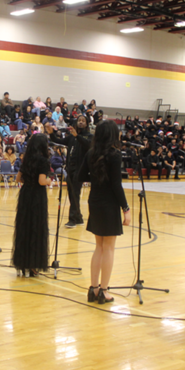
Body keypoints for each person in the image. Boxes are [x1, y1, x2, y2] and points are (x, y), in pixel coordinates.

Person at [77, 120, 131, 304]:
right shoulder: (115, 155)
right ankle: (104, 290)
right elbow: (117, 184)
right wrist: (126, 208)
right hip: (109, 203)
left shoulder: (91, 153)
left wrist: (95, 176)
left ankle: (93, 289)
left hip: (95, 200)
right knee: (108, 248)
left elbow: (80, 176)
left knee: (99, 246)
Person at [12, 133, 52, 276]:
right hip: (37, 196)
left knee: (24, 228)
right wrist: (48, 181)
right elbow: (42, 181)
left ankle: (23, 263)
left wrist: (29, 182)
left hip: (25, 194)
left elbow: (18, 179)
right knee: (36, 228)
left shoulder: (26, 159)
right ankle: (34, 265)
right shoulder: (43, 161)